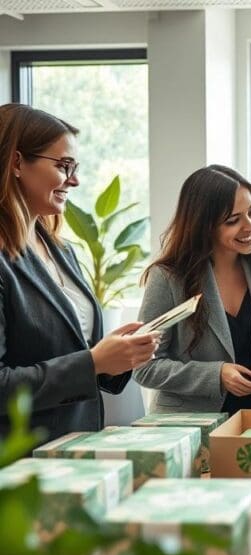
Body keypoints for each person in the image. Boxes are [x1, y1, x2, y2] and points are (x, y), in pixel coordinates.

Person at [0, 103, 158, 442]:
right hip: (20, 466)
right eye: (63, 165)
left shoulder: (62, 251)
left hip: (75, 452)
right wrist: (93, 362)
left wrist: (120, 355)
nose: (74, 179)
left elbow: (75, 353)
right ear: (15, 162)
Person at [133, 165, 251, 414]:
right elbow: (144, 367)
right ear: (204, 226)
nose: (250, 226)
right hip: (187, 428)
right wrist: (216, 375)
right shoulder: (168, 276)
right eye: (232, 220)